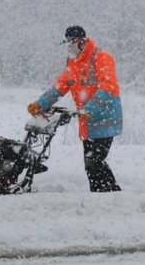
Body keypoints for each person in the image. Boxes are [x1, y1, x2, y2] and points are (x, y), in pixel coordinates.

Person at [27, 26, 123, 192]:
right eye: (68, 43)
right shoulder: (73, 62)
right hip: (87, 121)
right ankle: (106, 194)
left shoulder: (101, 57)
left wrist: (90, 109)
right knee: (92, 164)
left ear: (83, 41)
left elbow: (109, 87)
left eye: (73, 42)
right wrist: (40, 104)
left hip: (104, 118)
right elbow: (60, 86)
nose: (70, 46)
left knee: (94, 162)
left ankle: (107, 194)